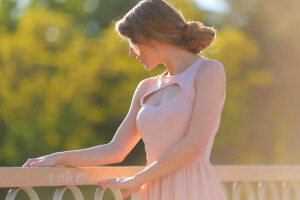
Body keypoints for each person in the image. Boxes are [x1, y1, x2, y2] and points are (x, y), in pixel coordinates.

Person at [22, 0, 227, 199]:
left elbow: (195, 144)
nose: (131, 52)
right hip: (152, 191)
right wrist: (57, 158)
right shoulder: (145, 88)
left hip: (193, 189)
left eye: (133, 42)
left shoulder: (209, 71)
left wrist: (139, 178)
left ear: (153, 37)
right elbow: (116, 149)